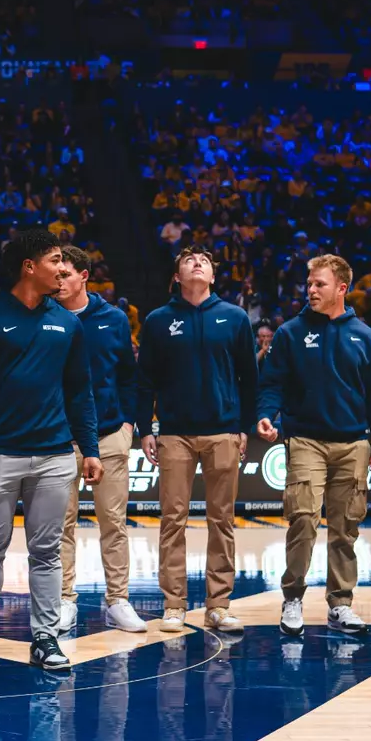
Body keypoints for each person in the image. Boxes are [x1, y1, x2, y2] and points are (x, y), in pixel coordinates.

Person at [0, 229, 100, 674]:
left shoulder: (68, 323)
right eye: (55, 260)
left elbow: (79, 392)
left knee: (48, 551)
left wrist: (89, 448)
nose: (62, 268)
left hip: (55, 455)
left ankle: (46, 637)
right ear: (29, 267)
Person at [255, 254, 371, 637]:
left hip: (354, 443)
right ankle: (293, 596)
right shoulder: (291, 333)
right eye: (309, 284)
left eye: (320, 284)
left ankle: (341, 603)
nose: (311, 290)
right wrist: (267, 413)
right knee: (303, 520)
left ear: (342, 288)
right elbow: (272, 384)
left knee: (346, 528)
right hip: (306, 441)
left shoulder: (364, 336)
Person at [136, 246, 256, 634]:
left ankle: (218, 604)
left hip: (223, 431)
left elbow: (249, 379)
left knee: (222, 521)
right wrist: (144, 428)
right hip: (173, 434)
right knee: (173, 521)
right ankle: (174, 605)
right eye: (189, 260)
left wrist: (244, 428)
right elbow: (145, 380)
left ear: (213, 276)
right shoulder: (158, 321)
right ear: (177, 276)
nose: (197, 263)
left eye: (204, 261)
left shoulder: (235, 318)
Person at [55, 246, 143, 633]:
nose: (58, 282)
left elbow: (128, 375)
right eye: (55, 275)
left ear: (84, 276)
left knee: (114, 523)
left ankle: (118, 601)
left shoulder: (113, 319)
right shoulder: (45, 316)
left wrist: (128, 425)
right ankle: (63, 600)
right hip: (57, 437)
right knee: (60, 525)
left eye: (66, 275)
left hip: (109, 435)